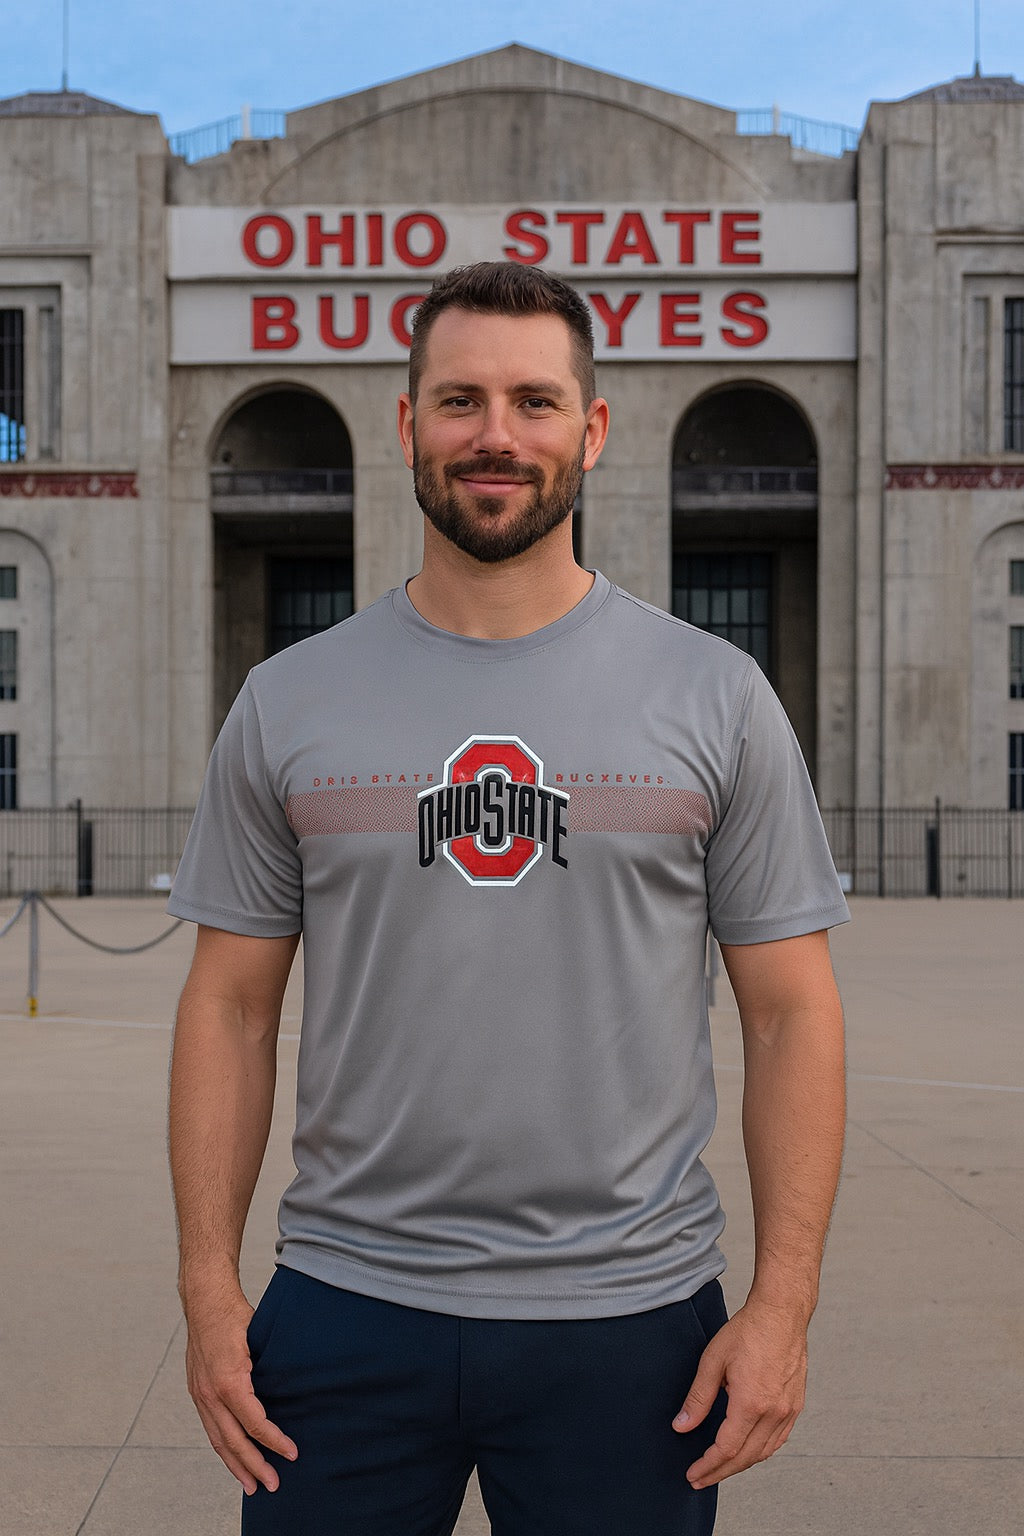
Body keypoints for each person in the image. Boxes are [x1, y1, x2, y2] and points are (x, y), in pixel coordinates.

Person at [168, 260, 848, 1536]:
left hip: (634, 1327)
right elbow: (228, 1012)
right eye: (460, 399)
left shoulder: (715, 696)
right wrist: (212, 1296)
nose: (496, 435)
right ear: (407, 424)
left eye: (535, 401)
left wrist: (782, 1305)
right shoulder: (289, 700)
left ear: (590, 429)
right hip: (342, 1309)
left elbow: (792, 1017)